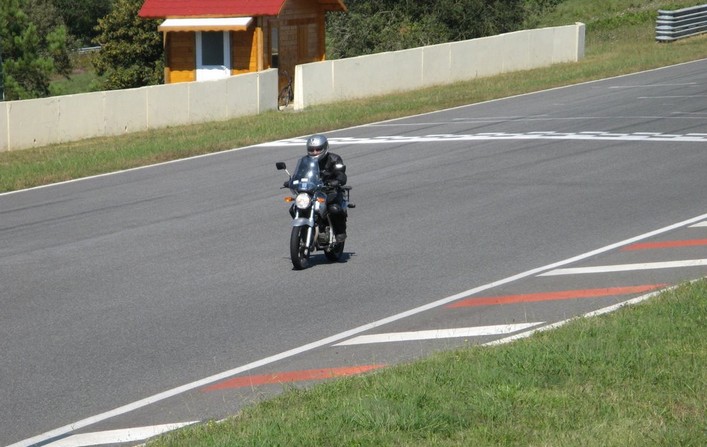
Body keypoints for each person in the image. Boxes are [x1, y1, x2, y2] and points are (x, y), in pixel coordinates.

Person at [306, 134, 348, 243]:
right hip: (312, 191)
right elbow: (301, 173)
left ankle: (340, 231)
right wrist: (292, 181)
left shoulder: (335, 159)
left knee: (333, 209)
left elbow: (341, 174)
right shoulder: (306, 161)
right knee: (295, 206)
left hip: (331, 191)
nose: (315, 152)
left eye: (318, 149)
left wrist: (337, 180)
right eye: (312, 149)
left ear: (325, 147)